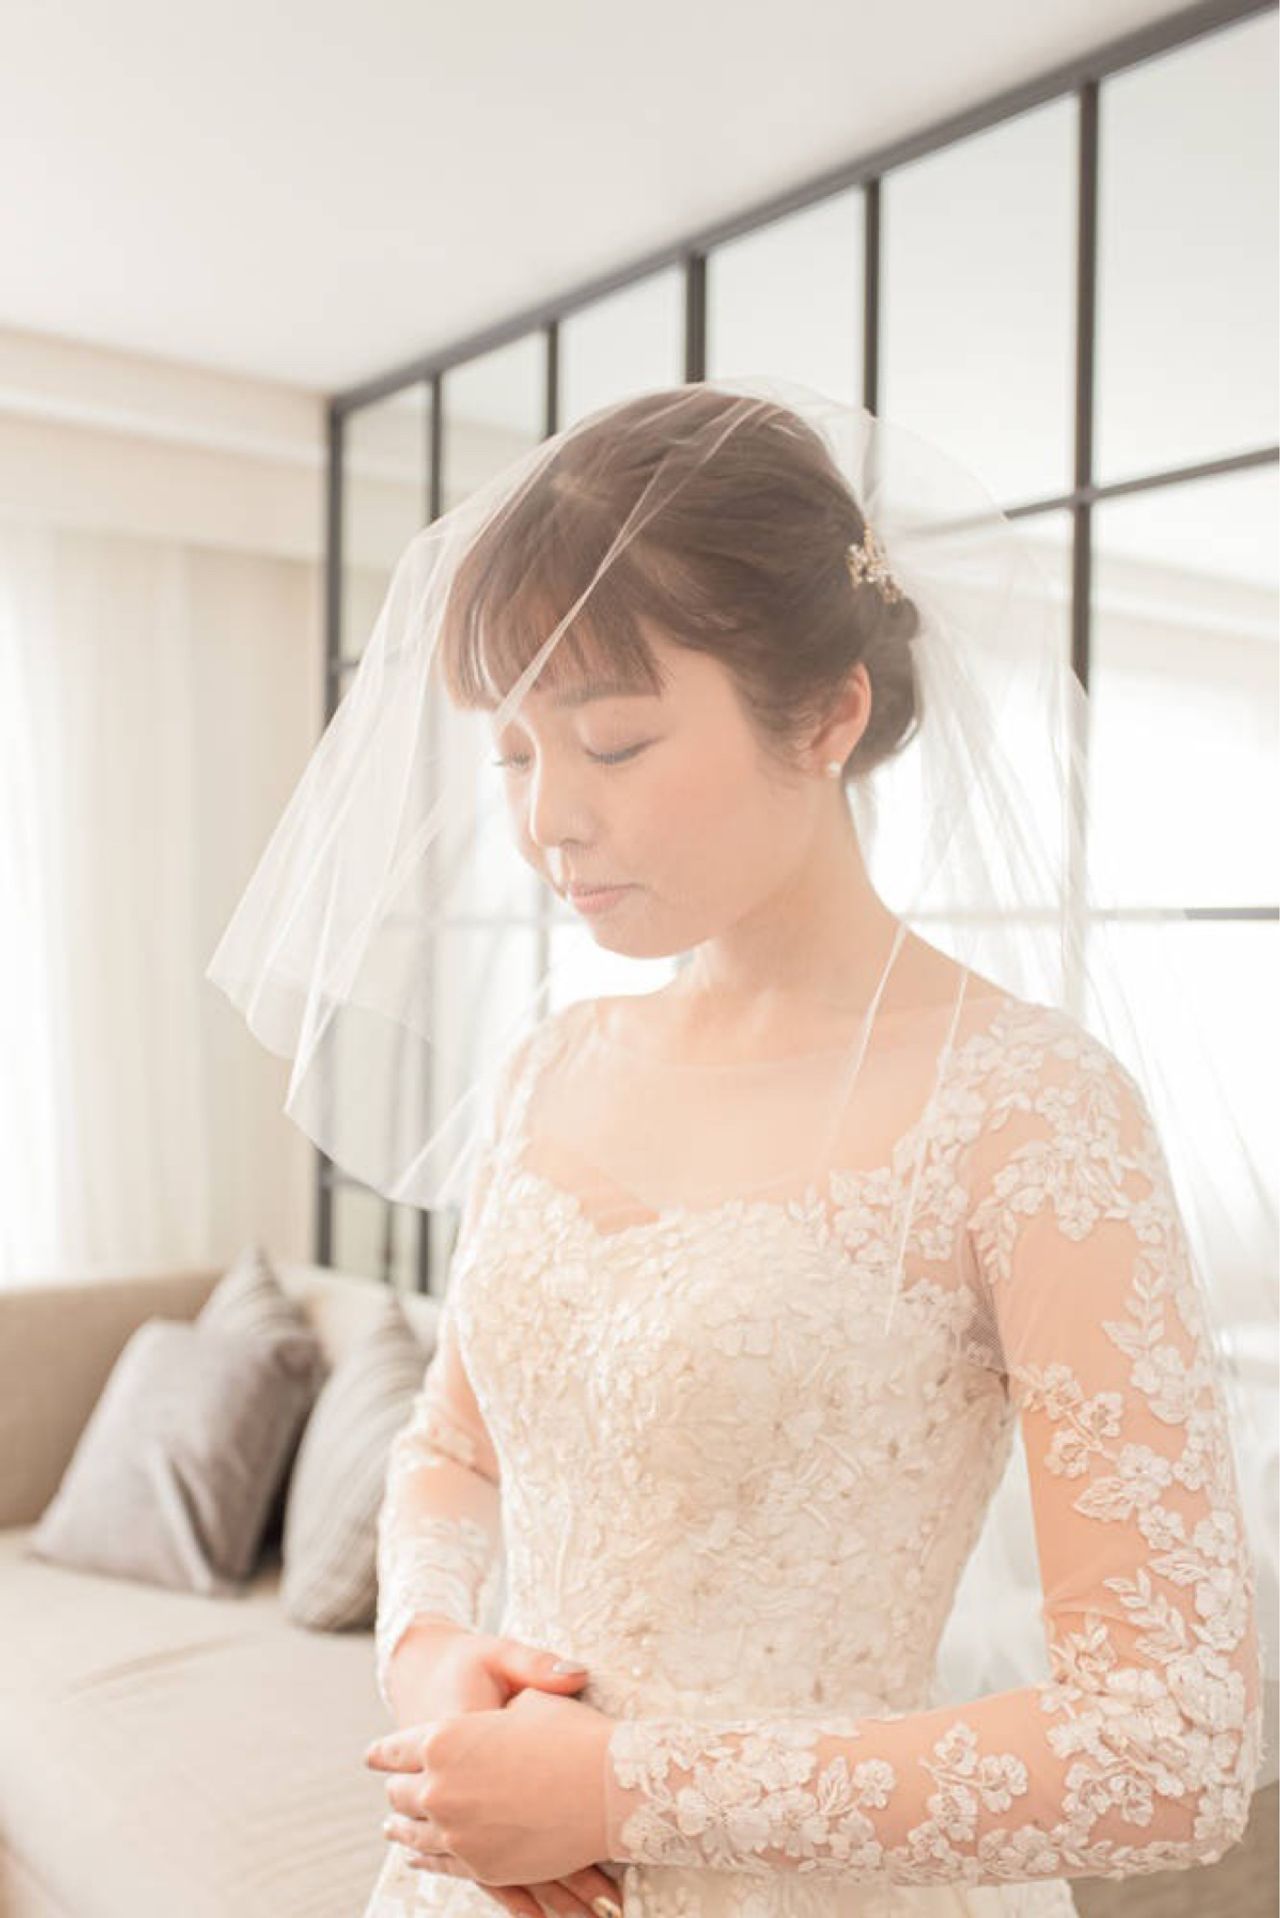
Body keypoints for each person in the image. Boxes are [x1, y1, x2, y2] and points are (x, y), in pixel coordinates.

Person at [337, 385, 1266, 1918]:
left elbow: (1173, 1739)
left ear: (830, 716)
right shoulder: (550, 1068)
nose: (548, 818)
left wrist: (622, 1787)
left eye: (612, 740)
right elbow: (451, 1448)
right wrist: (432, 1653)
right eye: (509, 753)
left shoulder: (1027, 1109)